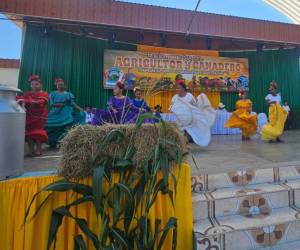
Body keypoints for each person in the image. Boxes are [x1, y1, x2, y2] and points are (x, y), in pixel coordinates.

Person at [169, 81, 211, 147]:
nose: (177, 90)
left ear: (183, 89)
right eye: (176, 88)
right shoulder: (175, 97)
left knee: (187, 134)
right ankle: (183, 146)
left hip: (190, 121)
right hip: (179, 121)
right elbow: (171, 107)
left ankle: (185, 145)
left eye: (178, 88)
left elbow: (195, 106)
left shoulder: (189, 96)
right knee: (180, 134)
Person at [46, 78, 85, 148]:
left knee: (66, 126)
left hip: (66, 112)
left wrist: (80, 108)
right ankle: (52, 141)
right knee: (52, 125)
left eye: (62, 85)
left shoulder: (68, 94)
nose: (60, 86)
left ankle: (63, 141)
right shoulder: (53, 94)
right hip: (56, 112)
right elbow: (51, 104)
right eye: (59, 85)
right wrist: (59, 105)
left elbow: (72, 103)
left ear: (65, 86)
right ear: (56, 86)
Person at [17, 75, 48, 156]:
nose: (34, 86)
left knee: (37, 133)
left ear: (41, 85)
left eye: (36, 84)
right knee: (29, 133)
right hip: (29, 116)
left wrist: (28, 101)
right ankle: (30, 151)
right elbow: (21, 99)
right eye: (32, 84)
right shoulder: (28, 93)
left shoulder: (44, 93)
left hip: (40, 117)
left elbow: (41, 102)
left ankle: (39, 150)